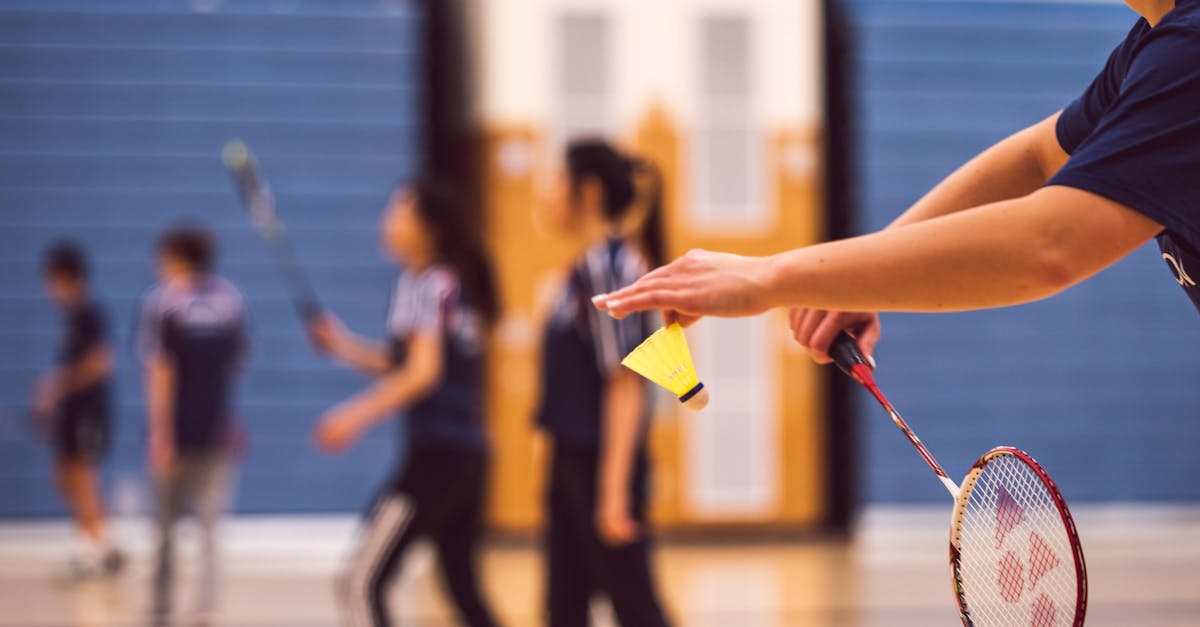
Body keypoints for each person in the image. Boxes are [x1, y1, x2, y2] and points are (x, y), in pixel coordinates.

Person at [595, 1, 1200, 361]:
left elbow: (1050, 245)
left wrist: (769, 275)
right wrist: (857, 282)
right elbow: (1039, 157)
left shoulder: (1190, 48)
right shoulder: (1154, 46)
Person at [308, 177, 501, 627]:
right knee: (464, 590)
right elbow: (406, 362)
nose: (387, 221)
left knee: (359, 582)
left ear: (427, 226)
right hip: (468, 456)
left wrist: (351, 417)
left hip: (437, 461)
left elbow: (422, 373)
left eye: (398, 211)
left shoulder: (429, 284)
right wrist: (342, 345)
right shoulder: (446, 282)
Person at [535, 139, 672, 627]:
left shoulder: (611, 267)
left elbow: (626, 382)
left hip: (601, 463)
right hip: (572, 459)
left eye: (556, 181)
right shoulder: (586, 264)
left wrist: (612, 491)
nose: (548, 194)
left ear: (587, 191)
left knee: (635, 606)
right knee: (564, 608)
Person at [136, 225, 248, 623]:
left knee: (164, 529)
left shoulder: (163, 302)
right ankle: (204, 611)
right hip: (216, 431)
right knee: (209, 530)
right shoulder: (230, 301)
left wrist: (160, 432)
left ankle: (160, 609)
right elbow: (232, 371)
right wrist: (232, 423)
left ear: (176, 257)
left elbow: (160, 371)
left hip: (179, 434)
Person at [33, 241, 124, 580]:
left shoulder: (90, 313)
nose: (47, 289)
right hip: (71, 413)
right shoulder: (71, 317)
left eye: (50, 280)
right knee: (65, 477)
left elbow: (101, 363)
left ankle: (91, 555)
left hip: (90, 412)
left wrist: (57, 385)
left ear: (65, 277)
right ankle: (105, 546)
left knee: (85, 480)